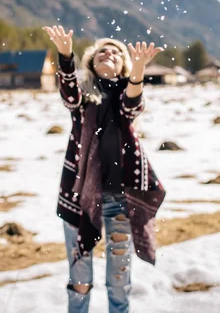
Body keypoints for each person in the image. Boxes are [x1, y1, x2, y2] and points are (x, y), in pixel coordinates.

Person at [42, 25, 167, 313]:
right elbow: (69, 93)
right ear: (92, 64)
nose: (107, 54)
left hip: (119, 201)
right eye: (101, 52)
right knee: (80, 279)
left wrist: (137, 71)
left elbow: (131, 104)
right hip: (78, 200)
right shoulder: (83, 101)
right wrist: (64, 54)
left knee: (119, 280)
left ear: (123, 64)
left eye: (114, 52)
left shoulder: (125, 98)